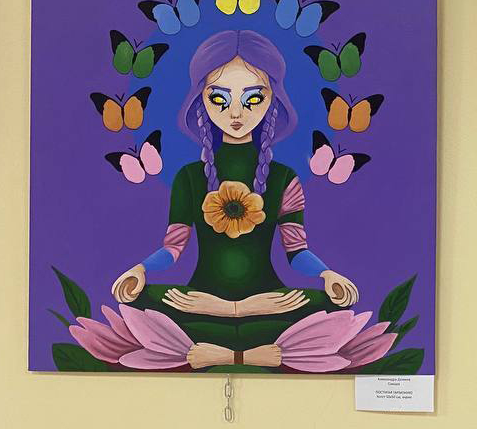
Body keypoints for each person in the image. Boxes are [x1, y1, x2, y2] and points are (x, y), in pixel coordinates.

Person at [109, 29, 357, 369]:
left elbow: (297, 252)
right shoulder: (188, 176)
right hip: (199, 301)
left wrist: (327, 275)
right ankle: (250, 345)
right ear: (200, 100)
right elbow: (173, 248)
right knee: (138, 297)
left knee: (333, 302)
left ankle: (223, 341)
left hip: (267, 301)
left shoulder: (284, 177)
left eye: (253, 99)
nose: (236, 113)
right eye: (219, 99)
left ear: (273, 100)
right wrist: (140, 270)